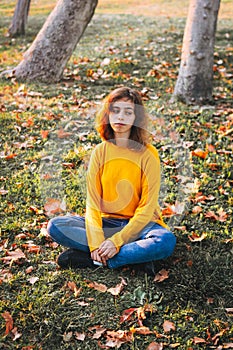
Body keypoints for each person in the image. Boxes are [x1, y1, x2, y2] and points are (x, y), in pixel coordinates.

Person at [47, 87, 176, 275]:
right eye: (115, 110)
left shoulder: (148, 154)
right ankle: (131, 259)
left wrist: (117, 241)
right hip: (107, 223)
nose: (120, 117)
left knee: (165, 242)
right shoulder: (100, 152)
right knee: (57, 226)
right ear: (108, 114)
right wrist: (96, 242)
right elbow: (93, 205)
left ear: (136, 118)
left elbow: (147, 208)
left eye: (128, 112)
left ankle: (95, 260)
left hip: (141, 227)